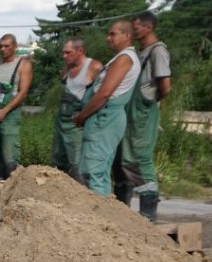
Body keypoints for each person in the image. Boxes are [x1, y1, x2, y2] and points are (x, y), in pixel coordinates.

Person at [113, 11, 172, 221]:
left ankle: (148, 211)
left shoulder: (158, 51)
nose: (134, 31)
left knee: (139, 158)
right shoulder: (139, 52)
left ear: (148, 28)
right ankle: (121, 209)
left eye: (136, 28)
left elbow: (165, 86)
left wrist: (149, 102)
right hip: (130, 113)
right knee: (121, 159)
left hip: (143, 112)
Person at [71, 21, 141, 196]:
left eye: (113, 34)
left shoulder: (124, 59)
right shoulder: (121, 58)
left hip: (104, 118)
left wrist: (82, 117)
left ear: (127, 36)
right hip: (103, 118)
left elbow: (104, 93)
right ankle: (102, 218)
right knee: (99, 173)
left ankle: (95, 220)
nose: (108, 38)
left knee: (91, 173)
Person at [0, 34, 33, 186]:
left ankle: (9, 190)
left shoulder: (23, 65)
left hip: (10, 116)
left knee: (10, 158)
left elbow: (22, 93)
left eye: (6, 46)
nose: (3, 49)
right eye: (1, 46)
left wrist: (4, 111)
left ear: (15, 47)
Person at [52, 38, 102, 180]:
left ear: (80, 51)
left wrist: (85, 116)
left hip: (79, 123)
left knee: (77, 164)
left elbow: (103, 96)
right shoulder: (65, 70)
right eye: (63, 53)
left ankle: (81, 196)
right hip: (61, 121)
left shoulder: (94, 67)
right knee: (58, 162)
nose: (64, 56)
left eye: (68, 52)